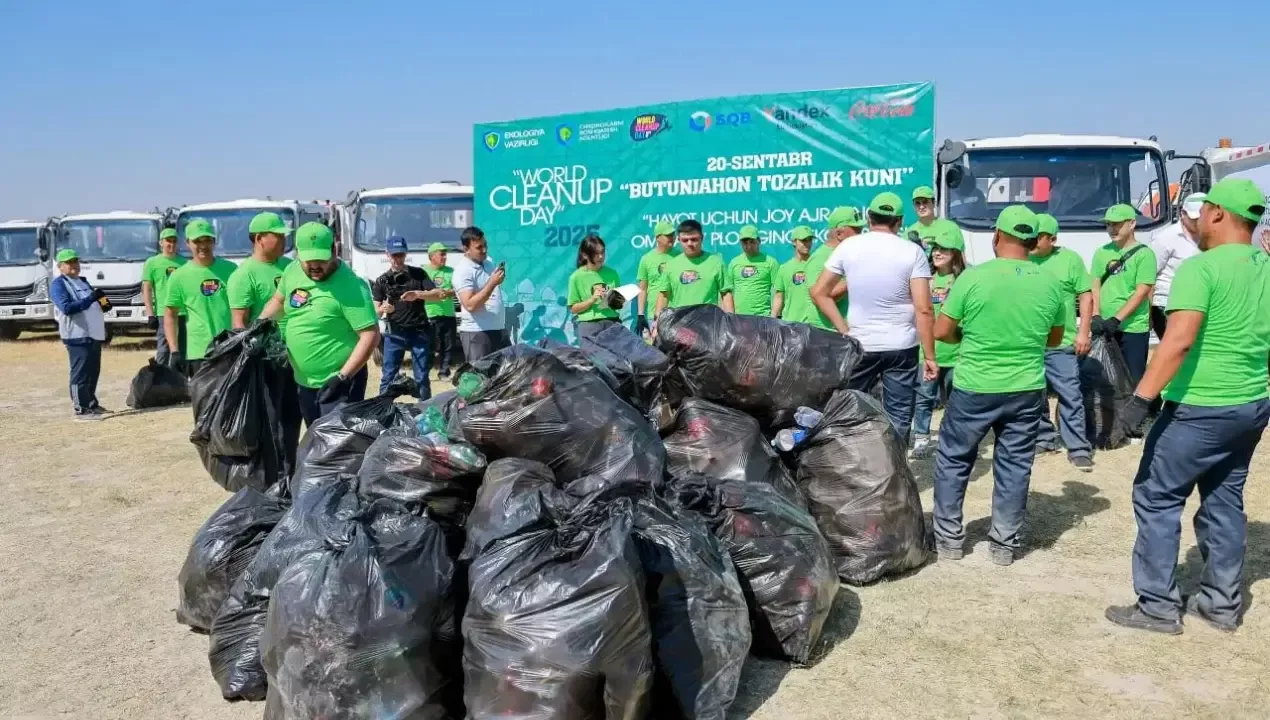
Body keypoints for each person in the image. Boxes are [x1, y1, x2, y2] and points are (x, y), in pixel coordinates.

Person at [1105, 179, 1269, 635]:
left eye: (1202, 213)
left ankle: (1157, 607)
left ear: (1217, 214)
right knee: (1224, 498)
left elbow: (1177, 342)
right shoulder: (1266, 266)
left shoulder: (1201, 269)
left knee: (1156, 496)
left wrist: (1140, 401)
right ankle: (1220, 604)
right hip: (1250, 404)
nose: (1195, 223)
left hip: (1199, 406)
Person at [931, 205, 1066, 566]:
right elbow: (1054, 339)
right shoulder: (1050, 282)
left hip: (975, 384)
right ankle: (1004, 545)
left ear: (997, 236)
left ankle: (948, 541)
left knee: (954, 460)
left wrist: (968, 334)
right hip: (1026, 387)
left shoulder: (973, 278)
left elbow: (941, 331)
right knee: (1015, 465)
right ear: (1033, 241)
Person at [810, 192, 936, 444]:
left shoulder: (849, 247)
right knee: (898, 415)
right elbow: (924, 308)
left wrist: (843, 329)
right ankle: (894, 463)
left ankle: (854, 461)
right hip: (901, 346)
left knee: (850, 410)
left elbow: (819, 292)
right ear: (899, 221)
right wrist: (930, 356)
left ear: (869, 218)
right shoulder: (912, 251)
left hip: (861, 344)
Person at [260, 222, 380, 426]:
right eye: (309, 260)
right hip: (304, 381)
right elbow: (278, 301)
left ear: (334, 251)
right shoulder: (292, 270)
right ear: (298, 254)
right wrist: (258, 325)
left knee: (336, 442)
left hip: (339, 385)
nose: (315, 266)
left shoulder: (352, 286)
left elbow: (370, 335)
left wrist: (343, 377)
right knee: (315, 436)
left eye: (321, 259)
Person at [1029, 213, 1096, 472]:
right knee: (1035, 394)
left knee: (1070, 394)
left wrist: (1083, 332)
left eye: (1039, 237)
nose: (1032, 241)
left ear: (1053, 239)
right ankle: (1044, 439)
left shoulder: (1070, 260)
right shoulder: (1023, 258)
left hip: (1062, 343)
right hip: (1030, 342)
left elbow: (1086, 296)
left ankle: (1078, 448)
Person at [910, 219, 965, 457]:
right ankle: (922, 438)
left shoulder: (964, 280)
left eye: (943, 249)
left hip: (957, 354)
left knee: (955, 401)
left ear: (955, 253)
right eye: (935, 249)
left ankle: (950, 439)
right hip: (928, 352)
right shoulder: (924, 279)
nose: (937, 253)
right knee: (924, 398)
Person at [371, 236, 449, 398]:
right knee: (388, 376)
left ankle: (425, 410)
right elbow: (375, 312)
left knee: (421, 376)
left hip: (419, 332)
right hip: (394, 334)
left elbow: (438, 294)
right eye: (394, 255)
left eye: (400, 255)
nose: (397, 259)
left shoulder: (418, 274)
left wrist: (418, 294)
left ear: (406, 254)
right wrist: (384, 309)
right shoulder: (382, 280)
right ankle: (383, 410)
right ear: (387, 254)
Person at [1091, 204, 1157, 383]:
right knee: (1105, 381)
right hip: (1105, 326)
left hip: (1133, 327)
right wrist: (1096, 315)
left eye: (1117, 224)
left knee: (1133, 379)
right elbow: (1095, 285)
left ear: (1132, 224)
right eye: (1108, 224)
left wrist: (1117, 319)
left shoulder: (1144, 254)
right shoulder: (1101, 253)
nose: (1112, 229)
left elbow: (1142, 291)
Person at [163, 218, 236, 377]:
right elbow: (170, 314)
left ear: (214, 242)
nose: (203, 245)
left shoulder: (231, 270)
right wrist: (174, 350)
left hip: (229, 348)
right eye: (197, 241)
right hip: (198, 352)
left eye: (207, 240)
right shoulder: (179, 276)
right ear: (188, 243)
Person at [50, 249, 108, 420]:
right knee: (80, 373)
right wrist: (90, 299)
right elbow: (67, 308)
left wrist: (103, 302)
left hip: (94, 333)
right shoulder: (59, 284)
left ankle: (91, 403)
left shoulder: (83, 281)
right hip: (76, 334)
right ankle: (80, 408)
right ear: (60, 267)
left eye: (75, 261)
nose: (74, 265)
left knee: (92, 371)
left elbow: (96, 303)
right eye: (69, 262)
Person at [1146, 193, 1204, 341]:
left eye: (1202, 218)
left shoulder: (1210, 237)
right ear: (1183, 214)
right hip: (1166, 305)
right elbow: (1149, 275)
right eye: (1194, 219)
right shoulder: (1165, 238)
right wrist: (1148, 313)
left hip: (1197, 305)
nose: (1198, 222)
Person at [453, 226, 509, 362]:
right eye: (479, 247)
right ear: (466, 249)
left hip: (497, 328)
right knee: (480, 374)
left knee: (504, 372)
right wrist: (492, 283)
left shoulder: (488, 262)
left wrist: (497, 279)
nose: (484, 250)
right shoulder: (462, 271)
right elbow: (470, 305)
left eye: (485, 245)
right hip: (477, 333)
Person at [228, 212, 293, 328]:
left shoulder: (291, 266)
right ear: (259, 239)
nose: (284, 240)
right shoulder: (243, 275)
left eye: (284, 236)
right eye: (278, 236)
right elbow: (239, 324)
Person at [654, 219, 734, 313]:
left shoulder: (716, 262)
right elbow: (663, 296)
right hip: (680, 320)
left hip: (708, 320)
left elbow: (726, 293)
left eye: (694, 239)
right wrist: (657, 318)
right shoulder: (671, 265)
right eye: (685, 240)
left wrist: (731, 318)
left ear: (702, 238)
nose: (690, 243)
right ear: (679, 240)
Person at [806, 206, 861, 330]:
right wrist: (854, 278)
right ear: (839, 234)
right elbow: (818, 298)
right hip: (827, 334)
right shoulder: (819, 258)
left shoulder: (849, 254)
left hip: (846, 332)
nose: (860, 235)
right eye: (856, 230)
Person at [142, 227, 186, 365]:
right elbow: (147, 289)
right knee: (164, 349)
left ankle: (181, 377)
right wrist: (150, 314)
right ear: (161, 243)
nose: (171, 244)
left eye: (174, 241)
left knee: (183, 349)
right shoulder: (152, 263)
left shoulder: (185, 263)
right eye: (168, 241)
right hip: (164, 312)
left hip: (184, 313)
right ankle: (160, 375)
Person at [567, 233, 623, 341]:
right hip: (589, 326)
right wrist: (592, 300)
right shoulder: (576, 277)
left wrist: (615, 300)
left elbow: (618, 304)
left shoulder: (612, 273)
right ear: (585, 255)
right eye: (596, 253)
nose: (601, 257)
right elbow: (573, 308)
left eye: (602, 252)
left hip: (612, 322)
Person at [636, 220, 680, 335]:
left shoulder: (681, 256)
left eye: (673, 234)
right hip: (655, 315)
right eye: (667, 235)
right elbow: (642, 289)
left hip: (677, 313)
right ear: (657, 238)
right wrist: (640, 314)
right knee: (656, 346)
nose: (671, 238)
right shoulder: (646, 259)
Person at [728, 224, 779, 317]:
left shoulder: (771, 262)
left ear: (759, 241)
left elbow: (778, 292)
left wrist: (773, 317)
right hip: (739, 318)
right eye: (745, 243)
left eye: (752, 242)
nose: (748, 246)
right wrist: (730, 317)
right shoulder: (734, 263)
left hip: (764, 317)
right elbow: (727, 293)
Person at [423, 242, 457, 379]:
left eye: (445, 254)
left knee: (448, 345)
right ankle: (424, 373)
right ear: (432, 256)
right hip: (430, 314)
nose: (445, 257)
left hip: (448, 314)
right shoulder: (423, 272)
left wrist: (449, 292)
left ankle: (444, 372)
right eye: (441, 254)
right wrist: (434, 293)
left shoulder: (451, 271)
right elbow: (419, 292)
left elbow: (459, 289)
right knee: (431, 346)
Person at [771, 226, 817, 323]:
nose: (807, 244)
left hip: (813, 324)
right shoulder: (784, 268)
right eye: (803, 240)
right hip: (790, 324)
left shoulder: (818, 265)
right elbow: (779, 297)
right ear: (794, 242)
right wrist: (772, 320)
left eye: (809, 240)